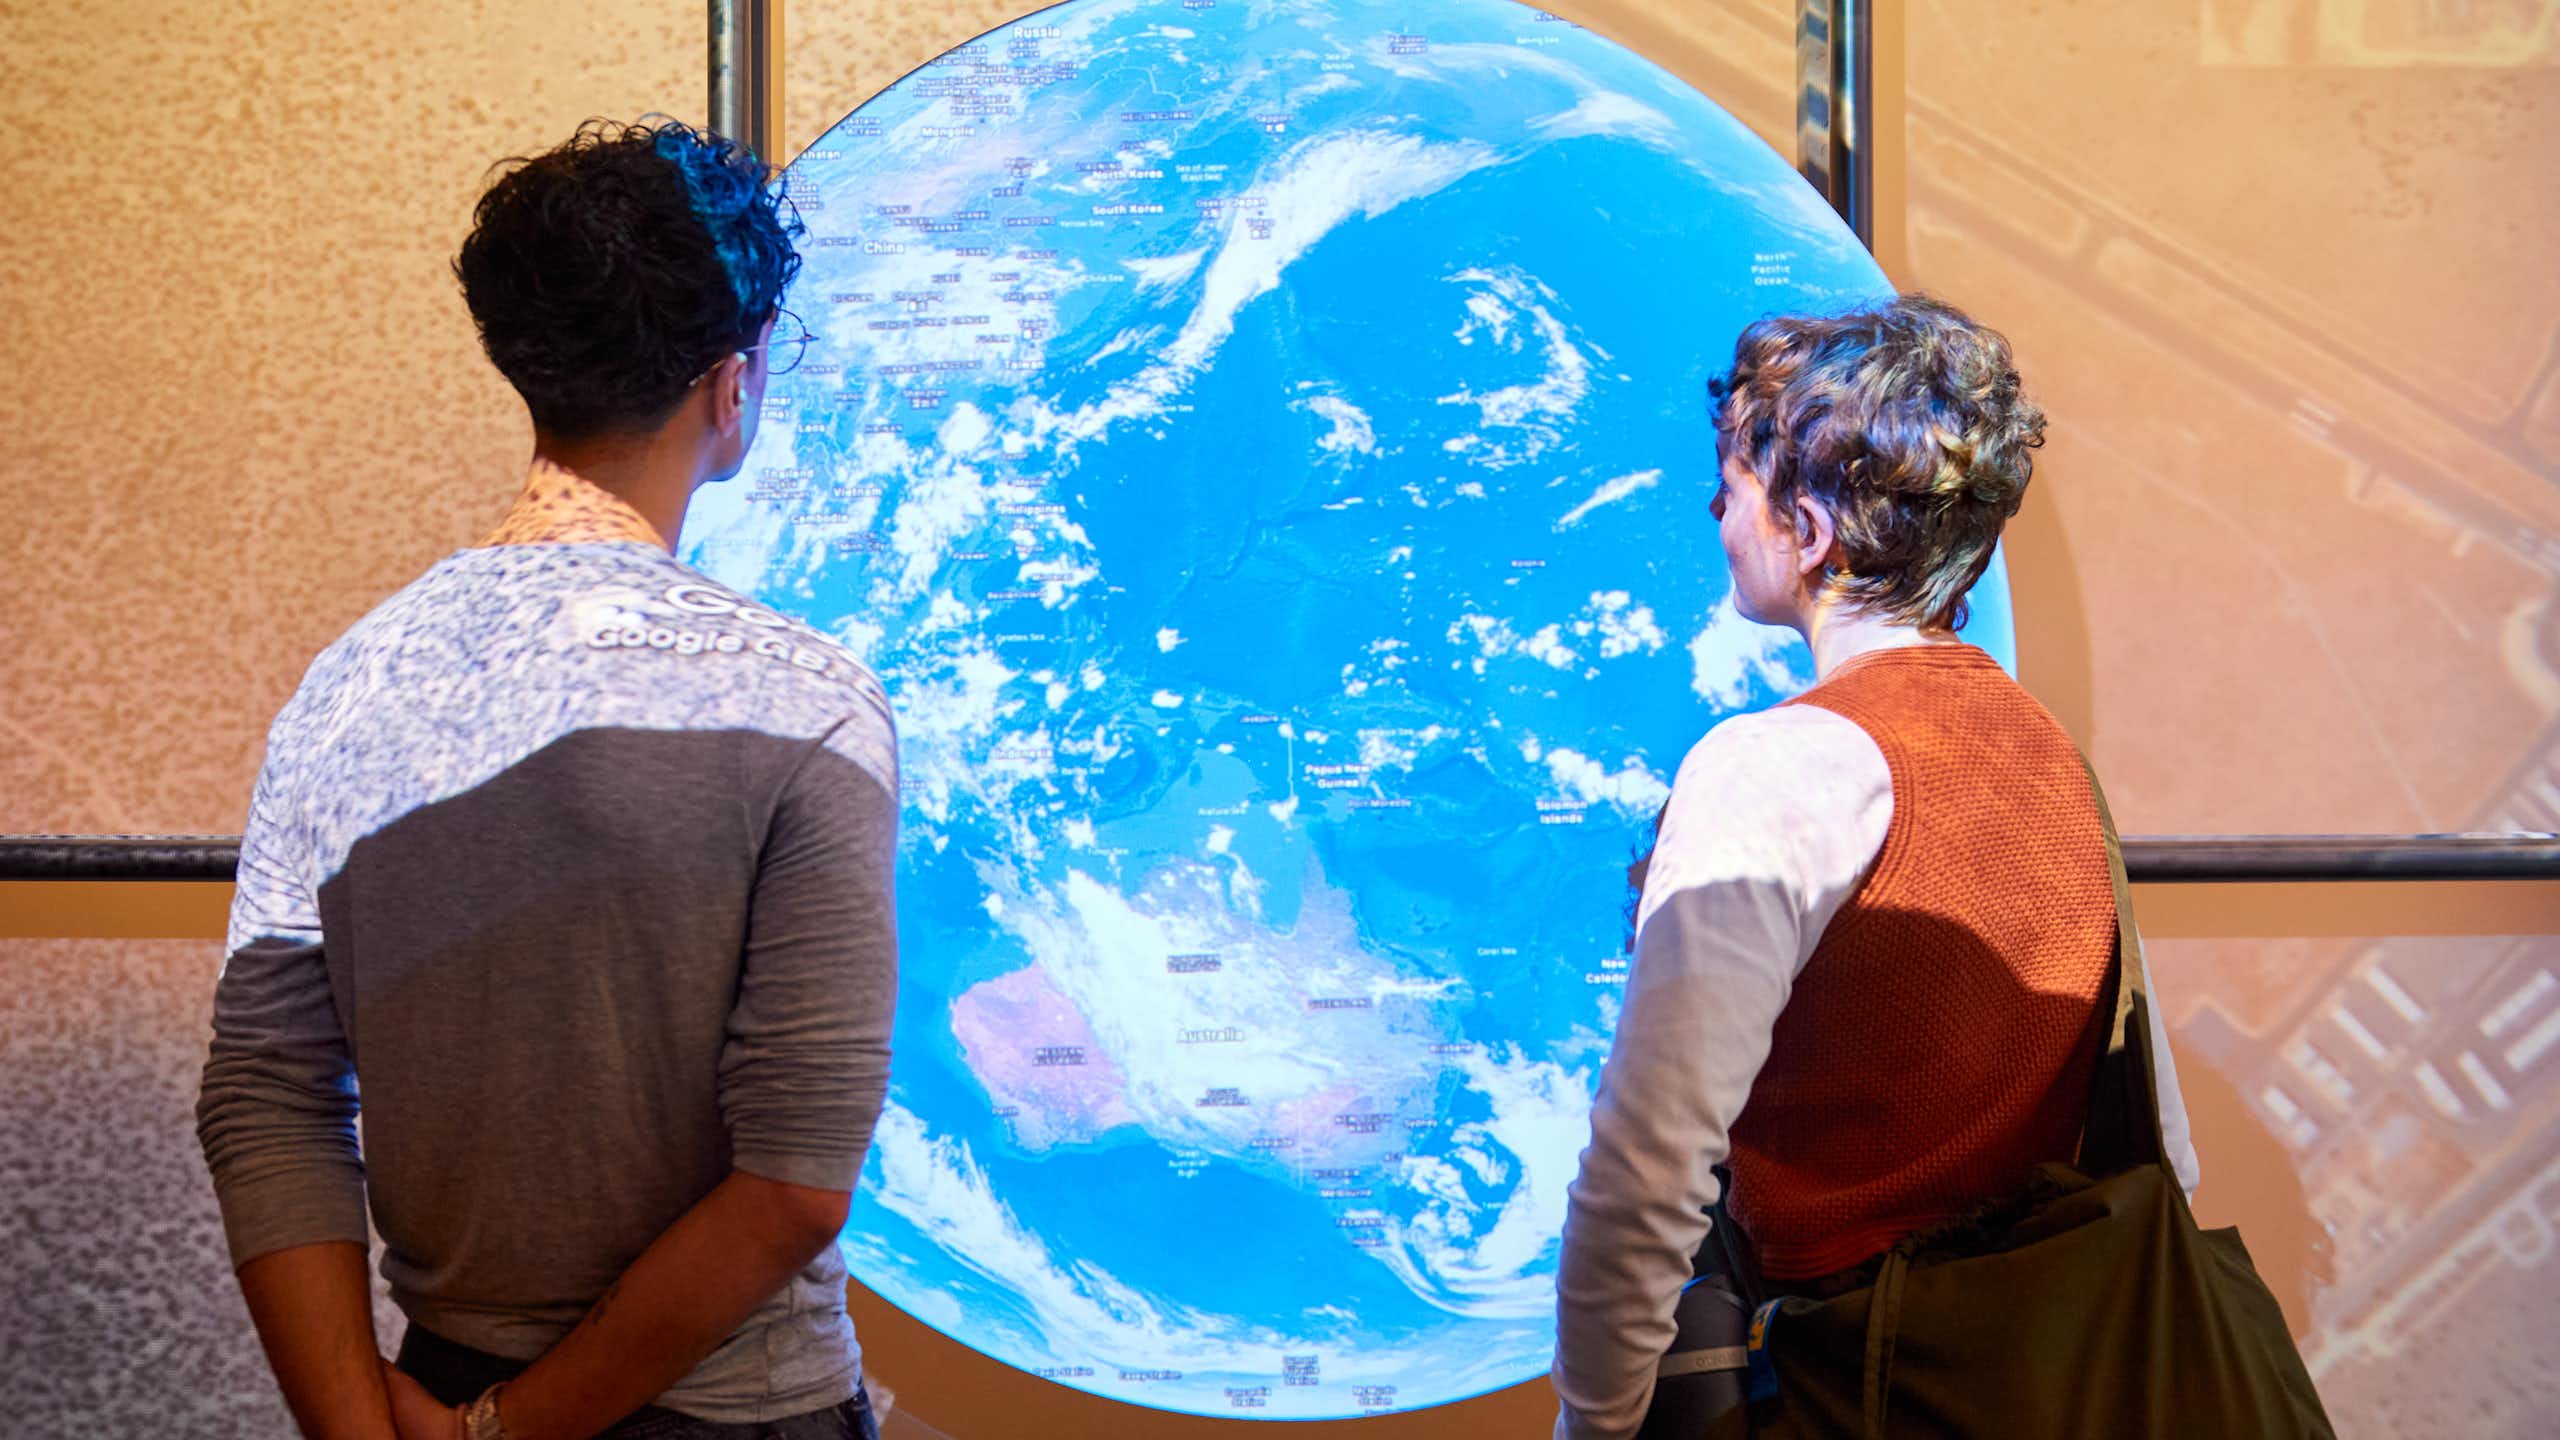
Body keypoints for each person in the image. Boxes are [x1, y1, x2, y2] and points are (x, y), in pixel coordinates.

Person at [195, 119, 899, 1440]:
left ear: (527, 364)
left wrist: (371, 1427)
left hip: (428, 1382)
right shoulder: (803, 702)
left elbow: (267, 1096)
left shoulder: (344, 688)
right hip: (740, 1416)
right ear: (731, 386)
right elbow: (797, 1182)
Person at [1549, 295, 2201, 1440]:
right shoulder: (2054, 764)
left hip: (1855, 1391)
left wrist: (1595, 1425)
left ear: (1809, 533)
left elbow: (1647, 1173)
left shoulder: (1776, 769)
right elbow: (2162, 1153)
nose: (1714, 506)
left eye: (1737, 479)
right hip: (2054, 1384)